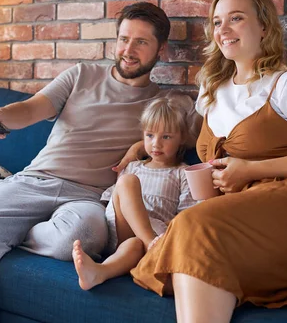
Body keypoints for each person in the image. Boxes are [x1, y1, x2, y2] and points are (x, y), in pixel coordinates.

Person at [0, 2, 197, 323]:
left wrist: (137, 147)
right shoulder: (82, 75)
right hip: (35, 180)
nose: (129, 50)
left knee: (79, 239)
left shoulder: (161, 105)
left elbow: (179, 138)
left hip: (89, 198)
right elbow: (33, 108)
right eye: (123, 39)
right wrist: (3, 117)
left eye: (141, 42)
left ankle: (8, 229)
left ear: (161, 49)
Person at [127, 0, 287, 323]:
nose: (223, 30)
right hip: (243, 218)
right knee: (187, 244)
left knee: (192, 228)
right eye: (217, 22)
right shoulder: (210, 88)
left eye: (236, 18)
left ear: (265, 28)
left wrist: (250, 170)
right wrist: (140, 147)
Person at [72, 96, 200, 291]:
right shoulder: (132, 167)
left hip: (151, 236)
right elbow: (113, 202)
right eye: (149, 135)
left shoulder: (182, 173)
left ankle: (99, 272)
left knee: (134, 245)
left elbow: (184, 216)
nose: (156, 144)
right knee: (128, 182)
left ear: (182, 138)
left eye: (166, 137)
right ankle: (152, 246)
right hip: (123, 229)